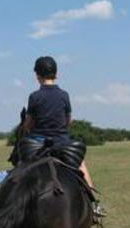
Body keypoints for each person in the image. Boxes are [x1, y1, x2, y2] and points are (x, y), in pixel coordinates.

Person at [22, 55, 105, 216]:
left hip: (38, 145)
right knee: (81, 164)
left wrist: (26, 126)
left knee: (21, 169)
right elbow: (68, 121)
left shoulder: (34, 97)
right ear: (56, 74)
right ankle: (94, 204)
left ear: (37, 75)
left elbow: (29, 124)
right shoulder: (64, 95)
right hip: (62, 143)